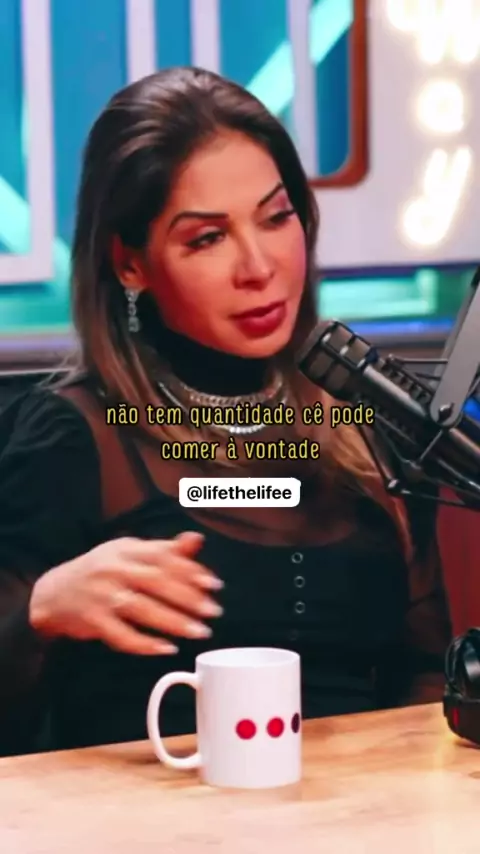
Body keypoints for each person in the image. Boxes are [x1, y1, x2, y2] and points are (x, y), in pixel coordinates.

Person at [0, 66, 452, 757]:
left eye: (276, 218)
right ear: (130, 264)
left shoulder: (369, 425)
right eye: (207, 238)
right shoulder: (75, 438)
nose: (259, 266)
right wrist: (39, 613)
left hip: (362, 804)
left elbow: (426, 679)